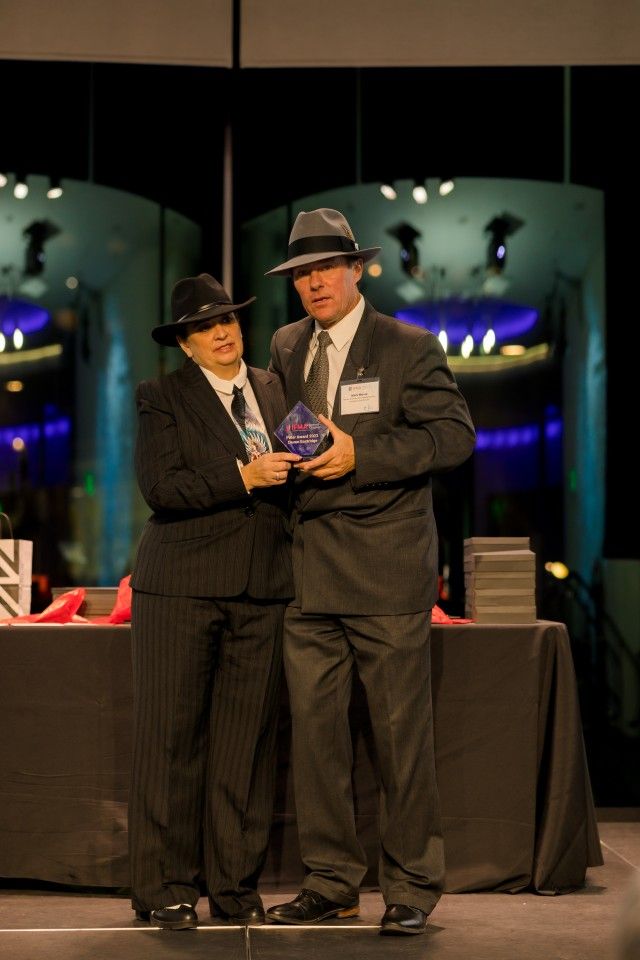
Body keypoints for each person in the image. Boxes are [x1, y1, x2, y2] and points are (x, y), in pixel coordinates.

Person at [264, 208, 476, 935]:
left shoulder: (408, 347)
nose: (314, 282)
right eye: (301, 273)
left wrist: (362, 454)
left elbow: (454, 437)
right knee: (316, 740)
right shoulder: (286, 344)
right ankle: (332, 881)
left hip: (386, 573)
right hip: (308, 574)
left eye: (326, 267)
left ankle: (414, 884)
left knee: (398, 739)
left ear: (357, 269)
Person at [128, 273, 300, 930]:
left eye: (227, 319)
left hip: (263, 586)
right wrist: (242, 475)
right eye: (205, 326)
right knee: (171, 743)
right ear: (185, 343)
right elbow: (161, 487)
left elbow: (308, 454)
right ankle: (166, 887)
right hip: (181, 586)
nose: (222, 332)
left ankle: (233, 886)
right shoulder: (161, 396)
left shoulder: (275, 388)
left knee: (244, 747)